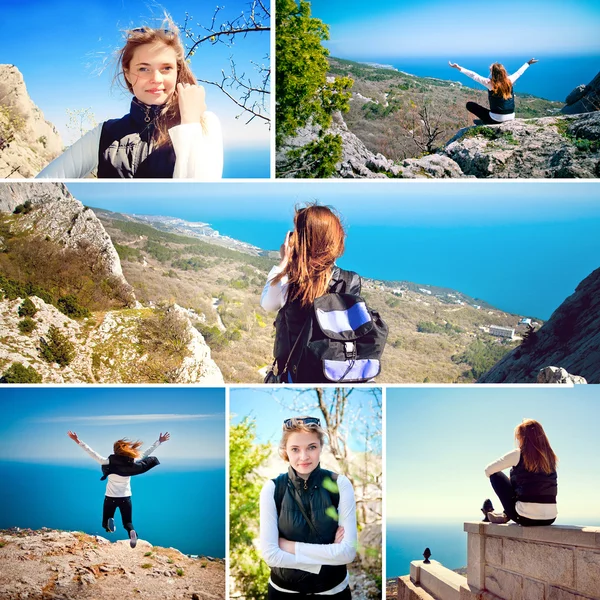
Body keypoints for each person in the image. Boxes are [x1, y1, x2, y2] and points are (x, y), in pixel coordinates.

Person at [37, 24, 223, 179]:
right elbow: (43, 185)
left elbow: (199, 194)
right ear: (127, 73)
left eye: (166, 68)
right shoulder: (104, 135)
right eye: (143, 69)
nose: (156, 78)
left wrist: (190, 123)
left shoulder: (205, 123)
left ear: (177, 72)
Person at [260, 204, 362, 383]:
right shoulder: (349, 280)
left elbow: (267, 304)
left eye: (296, 232)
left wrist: (283, 262)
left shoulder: (291, 281)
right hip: (333, 372)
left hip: (294, 375)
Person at [260, 416, 357, 599]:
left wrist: (289, 546)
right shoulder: (273, 489)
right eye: (295, 449)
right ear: (286, 451)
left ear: (321, 447)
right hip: (283, 593)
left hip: (333, 591)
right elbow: (271, 556)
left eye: (311, 447)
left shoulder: (340, 485)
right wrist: (326, 558)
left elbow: (348, 553)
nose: (304, 457)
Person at [67, 430, 170, 547]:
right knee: (128, 522)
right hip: (125, 498)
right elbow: (146, 453)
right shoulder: (132, 463)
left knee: (105, 521)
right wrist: (159, 441)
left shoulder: (107, 462)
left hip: (110, 497)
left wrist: (77, 440)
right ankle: (132, 532)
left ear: (115, 451)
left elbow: (91, 452)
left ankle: (109, 523)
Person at [482, 419, 557, 526]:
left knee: (495, 475)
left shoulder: (519, 454)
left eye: (519, 436)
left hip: (525, 517)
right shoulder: (551, 458)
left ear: (524, 438)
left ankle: (507, 513)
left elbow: (488, 470)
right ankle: (506, 514)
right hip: (550, 518)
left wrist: (510, 483)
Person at [448, 59, 539, 124]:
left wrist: (458, 67)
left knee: (470, 105)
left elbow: (473, 75)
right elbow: (519, 72)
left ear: (493, 73)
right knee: (492, 111)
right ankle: (488, 119)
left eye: (490, 70)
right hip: (511, 116)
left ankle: (487, 121)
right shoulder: (509, 81)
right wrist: (528, 63)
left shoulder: (490, 83)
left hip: (496, 119)